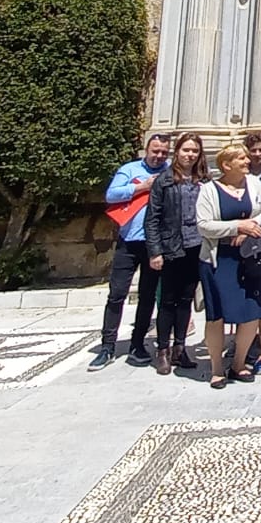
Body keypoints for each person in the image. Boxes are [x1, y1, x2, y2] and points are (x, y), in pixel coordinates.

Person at [91, 133, 170, 370]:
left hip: (154, 243)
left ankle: (138, 344)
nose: (159, 156)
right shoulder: (130, 169)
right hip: (129, 241)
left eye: (163, 152)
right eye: (155, 151)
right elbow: (111, 194)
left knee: (147, 296)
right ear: (147, 149)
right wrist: (142, 187)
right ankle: (107, 345)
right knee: (117, 293)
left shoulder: (169, 172)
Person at [197, 144, 261, 387]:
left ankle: (239, 363)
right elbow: (204, 225)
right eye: (241, 158)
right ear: (226, 165)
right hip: (220, 260)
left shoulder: (253, 183)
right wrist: (237, 227)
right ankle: (217, 368)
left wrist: (251, 226)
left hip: (248, 258)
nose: (247, 161)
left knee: (251, 313)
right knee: (216, 316)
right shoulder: (209, 190)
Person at [144, 132, 208, 375]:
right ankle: (163, 349)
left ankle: (180, 348)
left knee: (185, 300)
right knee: (168, 301)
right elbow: (153, 219)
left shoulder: (201, 179)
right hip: (171, 247)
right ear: (177, 152)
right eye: (186, 150)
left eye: (194, 151)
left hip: (195, 247)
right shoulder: (164, 180)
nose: (190, 155)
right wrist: (155, 251)